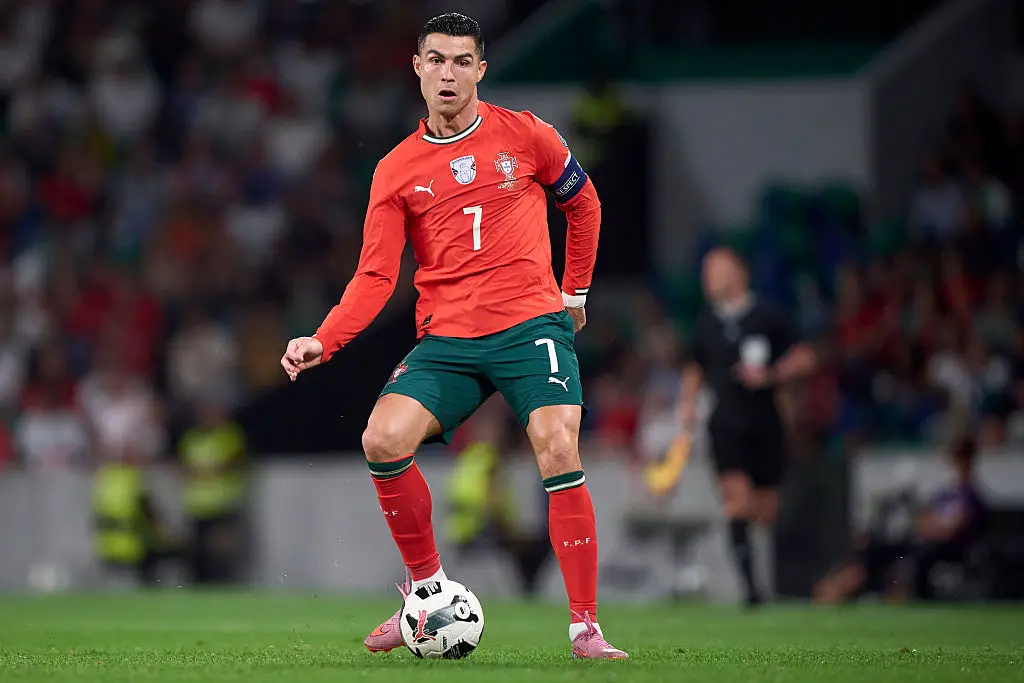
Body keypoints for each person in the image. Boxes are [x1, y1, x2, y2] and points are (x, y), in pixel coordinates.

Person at [279, 13, 626, 660]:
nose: (448, 73)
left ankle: (585, 627)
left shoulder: (527, 134)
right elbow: (376, 276)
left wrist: (574, 291)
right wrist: (323, 340)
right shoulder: (395, 170)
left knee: (557, 444)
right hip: (449, 339)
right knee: (381, 437)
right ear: (416, 67)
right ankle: (425, 592)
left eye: (461, 61)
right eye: (436, 60)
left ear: (480, 70)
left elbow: (584, 203)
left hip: (530, 325)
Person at [677, 248, 815, 606]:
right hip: (726, 422)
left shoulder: (767, 315)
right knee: (736, 501)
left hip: (766, 421)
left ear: (739, 272)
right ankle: (752, 591)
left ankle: (777, 579)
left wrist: (772, 375)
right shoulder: (706, 320)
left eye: (716, 270)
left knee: (766, 510)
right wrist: (688, 405)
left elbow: (805, 357)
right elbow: (696, 366)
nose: (708, 279)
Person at [813, 434, 988, 603]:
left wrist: (934, 526)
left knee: (914, 558)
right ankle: (851, 588)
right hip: (922, 543)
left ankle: (888, 593)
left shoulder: (970, 495)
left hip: (945, 549)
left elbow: (952, 529)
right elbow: (922, 522)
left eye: (958, 456)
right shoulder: (945, 493)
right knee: (875, 549)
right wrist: (933, 525)